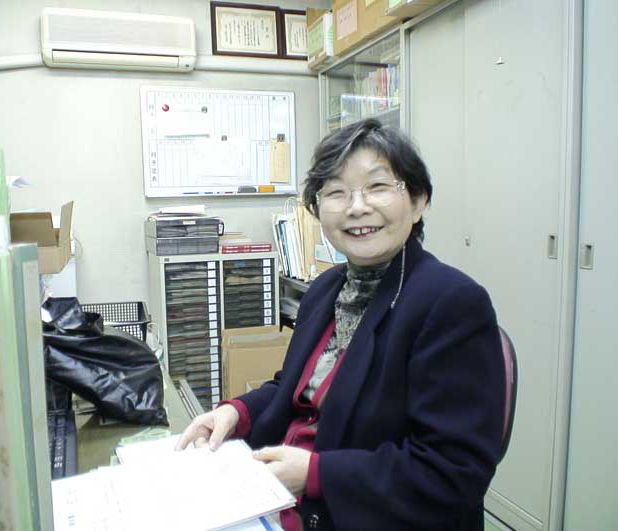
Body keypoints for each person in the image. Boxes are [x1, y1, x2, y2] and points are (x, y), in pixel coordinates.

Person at [176, 118, 505, 531]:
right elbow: (292, 386)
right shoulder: (326, 288)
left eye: (378, 186)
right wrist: (235, 412)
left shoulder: (451, 304)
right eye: (336, 192)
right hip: (284, 496)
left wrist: (315, 474)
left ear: (419, 201)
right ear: (317, 210)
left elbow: (452, 471)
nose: (356, 207)